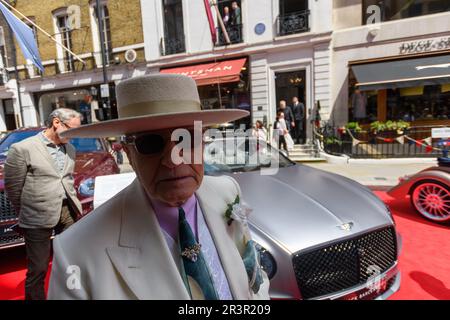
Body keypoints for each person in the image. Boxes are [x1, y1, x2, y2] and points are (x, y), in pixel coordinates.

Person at [47, 74, 269, 300]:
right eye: (150, 143)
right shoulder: (76, 250)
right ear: (129, 154)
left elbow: (254, 278)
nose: (173, 160)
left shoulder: (227, 192)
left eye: (187, 139)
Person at [4, 108, 83, 300]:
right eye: (71, 130)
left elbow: (67, 179)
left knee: (72, 261)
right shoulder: (23, 148)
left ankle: (69, 295)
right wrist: (27, 211)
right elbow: (13, 188)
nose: (73, 135)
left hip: (68, 211)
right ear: (56, 122)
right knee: (38, 267)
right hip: (37, 213)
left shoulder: (70, 148)